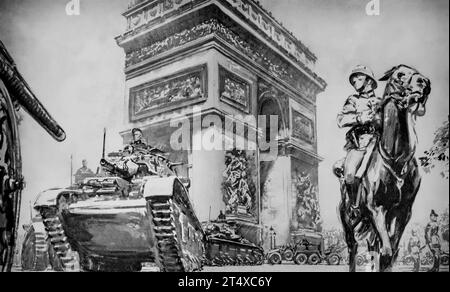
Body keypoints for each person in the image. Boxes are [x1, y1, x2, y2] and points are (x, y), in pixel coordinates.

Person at [335, 65, 383, 219]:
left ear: (369, 81)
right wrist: (359, 118)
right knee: (350, 173)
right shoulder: (353, 100)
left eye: (359, 78)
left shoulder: (381, 101)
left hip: (379, 143)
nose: (355, 81)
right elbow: (341, 120)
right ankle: (354, 206)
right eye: (353, 79)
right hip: (360, 145)